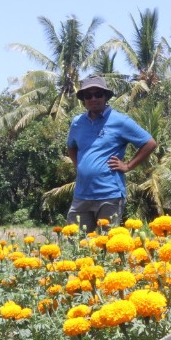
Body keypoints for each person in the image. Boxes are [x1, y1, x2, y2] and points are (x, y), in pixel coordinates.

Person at [66, 76, 156, 232]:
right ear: (83, 100)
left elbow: (149, 143)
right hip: (82, 195)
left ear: (106, 97)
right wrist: (78, 166)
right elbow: (71, 147)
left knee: (107, 246)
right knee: (76, 243)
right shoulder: (77, 122)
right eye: (88, 95)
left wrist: (128, 165)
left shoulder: (120, 121)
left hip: (109, 195)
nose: (93, 98)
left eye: (98, 94)